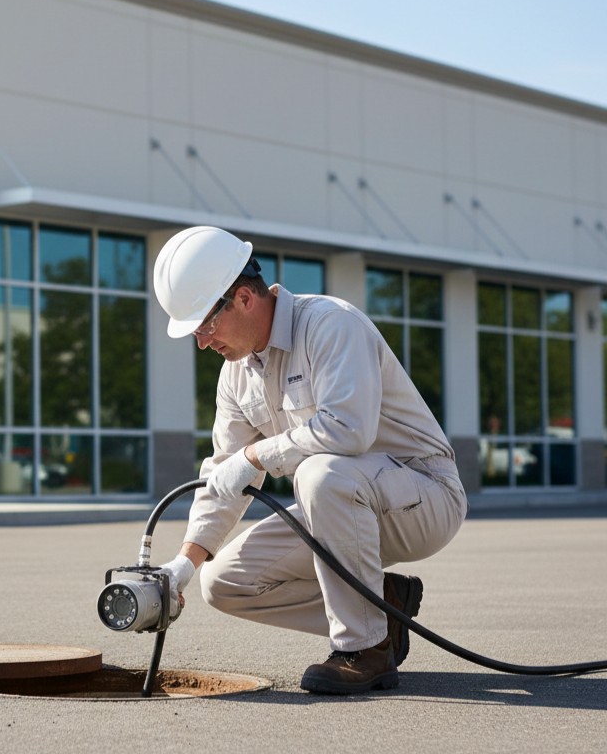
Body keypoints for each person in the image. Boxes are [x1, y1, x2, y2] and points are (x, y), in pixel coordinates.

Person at [152, 226, 468, 694]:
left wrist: (257, 455)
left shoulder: (330, 325)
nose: (202, 341)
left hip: (424, 497)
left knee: (320, 471)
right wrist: (183, 564)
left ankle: (364, 650)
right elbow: (223, 474)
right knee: (224, 582)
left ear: (242, 298)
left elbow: (347, 430)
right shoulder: (236, 377)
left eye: (205, 324)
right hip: (343, 505)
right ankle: (382, 608)